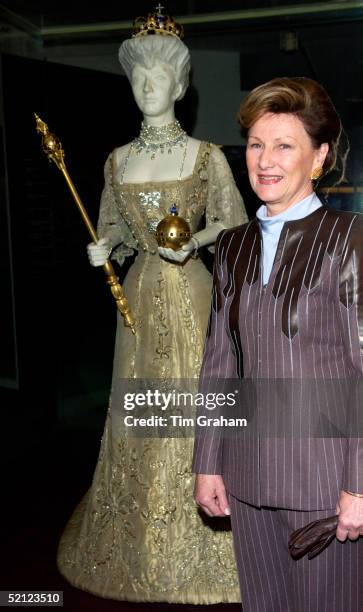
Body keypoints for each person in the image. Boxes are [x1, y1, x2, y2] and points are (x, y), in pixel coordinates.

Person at [57, 8, 247, 604]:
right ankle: (136, 536)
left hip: (190, 293)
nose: (147, 86)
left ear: (179, 86)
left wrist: (195, 239)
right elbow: (110, 225)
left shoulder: (207, 156)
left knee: (196, 404)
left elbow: (234, 222)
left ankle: (210, 528)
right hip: (137, 295)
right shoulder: (117, 161)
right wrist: (101, 248)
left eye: (159, 77)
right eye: (139, 76)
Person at [193, 76, 363, 611]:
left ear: (320, 156)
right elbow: (219, 360)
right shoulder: (231, 245)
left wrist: (358, 486)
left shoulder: (350, 239)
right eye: (256, 144)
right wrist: (208, 460)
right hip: (246, 477)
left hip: (324, 483)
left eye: (285, 145)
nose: (265, 160)